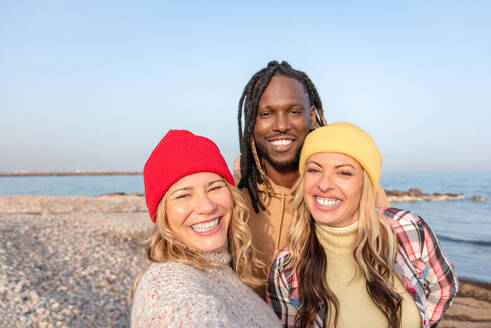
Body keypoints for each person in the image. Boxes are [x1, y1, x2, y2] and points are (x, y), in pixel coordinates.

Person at [267, 122, 458, 328]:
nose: (323, 184)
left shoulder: (407, 229)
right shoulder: (285, 269)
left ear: (365, 184)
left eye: (344, 173)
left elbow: (444, 288)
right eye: (314, 170)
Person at [235, 61, 390, 286]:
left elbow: (390, 274)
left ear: (312, 115)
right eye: (266, 113)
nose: (281, 125)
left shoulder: (357, 192)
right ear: (251, 120)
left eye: (294, 112)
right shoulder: (231, 190)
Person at [131, 130, 281, 327]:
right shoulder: (166, 284)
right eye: (184, 195)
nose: (207, 207)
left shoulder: (226, 271)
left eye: (215, 188)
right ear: (162, 213)